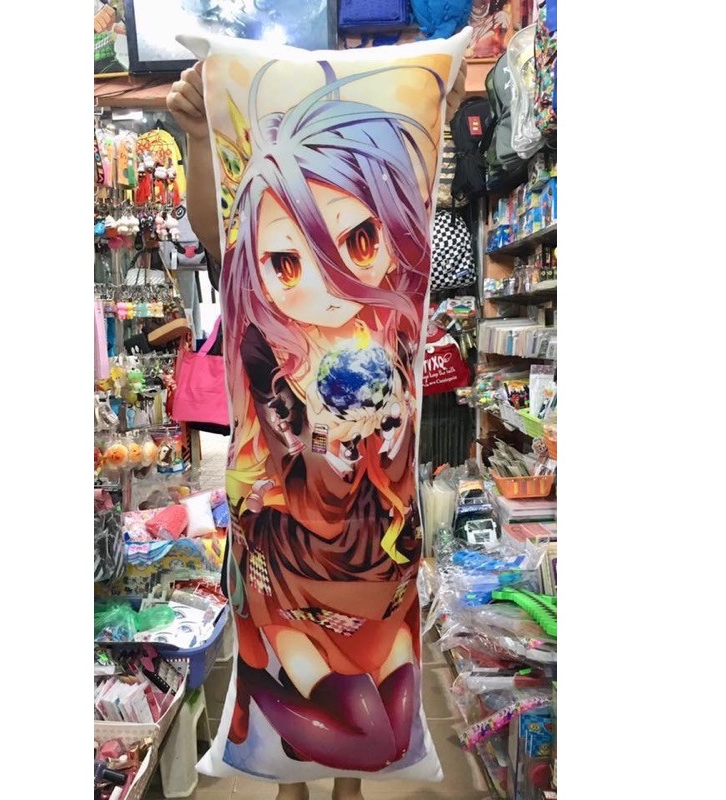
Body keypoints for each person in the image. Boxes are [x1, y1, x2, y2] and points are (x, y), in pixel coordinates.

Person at [168, 56, 467, 800]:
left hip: (373, 543)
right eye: (286, 259)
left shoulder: (393, 313)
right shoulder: (263, 329)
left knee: (374, 704)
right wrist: (199, 138)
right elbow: (221, 233)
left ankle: (345, 785)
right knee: (303, 697)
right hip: (282, 543)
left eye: (359, 241)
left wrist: (438, 111)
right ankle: (290, 781)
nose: (327, 282)